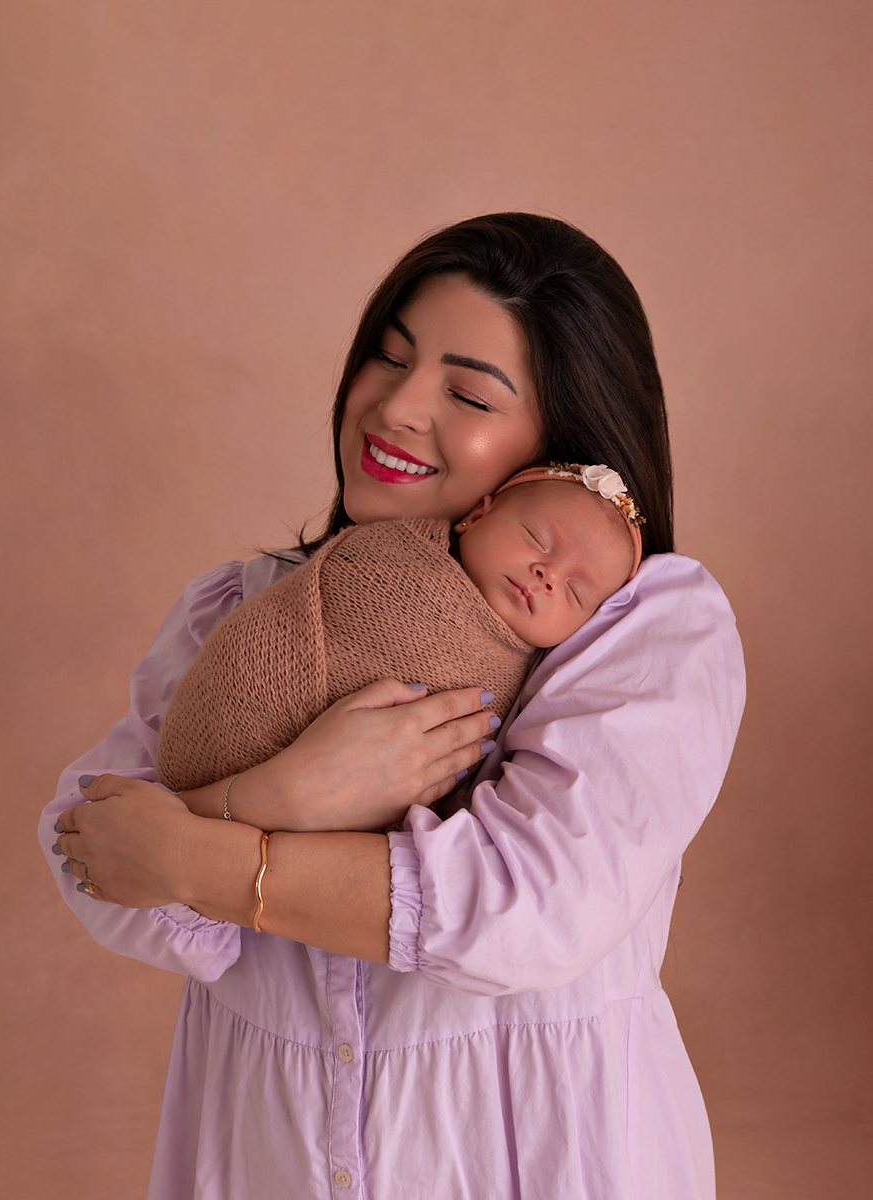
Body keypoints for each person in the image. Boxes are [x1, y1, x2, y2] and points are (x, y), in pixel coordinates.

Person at [42, 212, 745, 1199]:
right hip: (267, 1158)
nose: (395, 407)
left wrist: (212, 854)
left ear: (560, 448)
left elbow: (529, 908)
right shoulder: (250, 608)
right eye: (388, 355)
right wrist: (282, 791)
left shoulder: (636, 632)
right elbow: (91, 850)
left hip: (540, 1164)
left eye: (466, 392)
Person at [155, 461, 644, 801]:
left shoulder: (533, 689)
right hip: (230, 727)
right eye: (537, 539)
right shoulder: (391, 557)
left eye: (576, 592)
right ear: (476, 516)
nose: (548, 575)